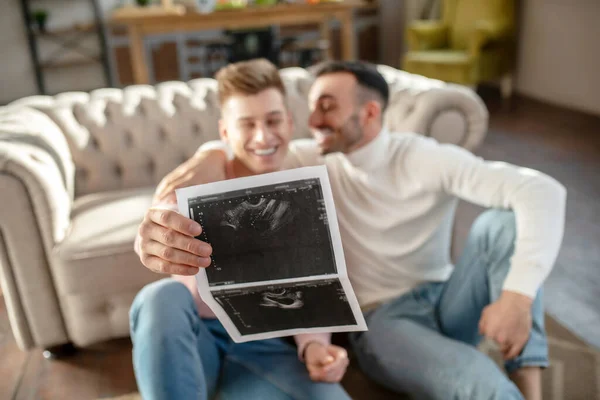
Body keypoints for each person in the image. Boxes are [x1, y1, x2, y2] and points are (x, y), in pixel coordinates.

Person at [154, 60, 568, 400]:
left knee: (503, 224)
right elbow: (247, 153)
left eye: (328, 107)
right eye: (313, 106)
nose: (313, 120)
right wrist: (210, 154)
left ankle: (529, 381)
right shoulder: (305, 161)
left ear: (369, 113)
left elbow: (541, 190)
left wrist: (517, 296)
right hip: (383, 319)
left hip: (446, 297)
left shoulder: (424, 157)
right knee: (482, 383)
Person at [130, 59, 352, 400]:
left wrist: (313, 347)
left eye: (273, 120)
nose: (262, 136)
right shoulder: (201, 177)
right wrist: (150, 235)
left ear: (291, 123)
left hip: (265, 345)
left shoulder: (307, 187)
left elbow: (311, 285)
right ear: (224, 132)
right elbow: (160, 218)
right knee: (159, 297)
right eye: (246, 124)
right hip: (197, 335)